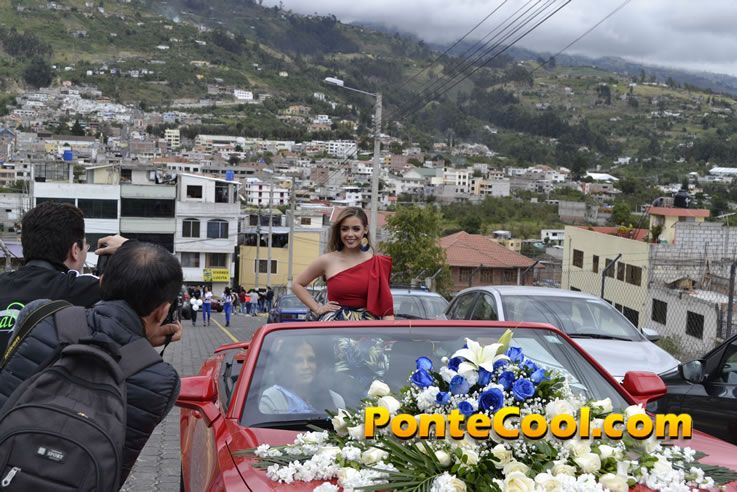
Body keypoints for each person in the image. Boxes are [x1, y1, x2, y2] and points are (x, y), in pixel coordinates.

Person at [0, 241, 182, 483]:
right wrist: (142, 346)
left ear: (102, 282)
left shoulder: (38, 314)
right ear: (163, 311)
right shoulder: (163, 381)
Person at [0, 201, 181, 351]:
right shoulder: (84, 288)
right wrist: (130, 248)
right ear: (75, 250)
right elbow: (160, 278)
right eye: (86, 247)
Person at [292, 207, 394, 320]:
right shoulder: (327, 260)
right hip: (334, 327)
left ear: (365, 230)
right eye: (345, 229)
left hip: (367, 328)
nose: (350, 234)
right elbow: (297, 284)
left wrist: (388, 331)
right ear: (339, 231)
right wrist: (318, 308)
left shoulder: (377, 263)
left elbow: (387, 311)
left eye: (356, 229)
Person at [259, 338, 343, 414]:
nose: (306, 366)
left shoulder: (336, 400)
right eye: (298, 361)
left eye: (311, 360)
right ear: (286, 365)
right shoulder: (271, 400)